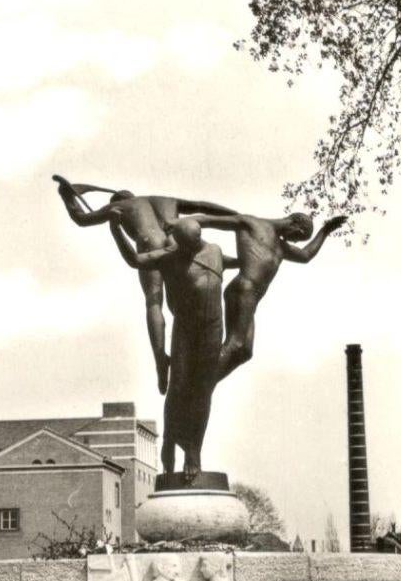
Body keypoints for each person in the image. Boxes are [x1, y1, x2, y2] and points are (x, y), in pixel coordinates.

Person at [52, 176, 236, 395]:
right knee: (179, 297)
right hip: (175, 239)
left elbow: (81, 218)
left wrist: (66, 197)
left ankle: (161, 360)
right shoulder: (165, 199)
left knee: (154, 301)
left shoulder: (119, 205)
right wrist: (236, 215)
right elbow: (204, 207)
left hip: (150, 244)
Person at [109, 213, 237, 481]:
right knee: (177, 389)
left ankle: (193, 452)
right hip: (186, 332)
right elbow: (135, 260)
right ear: (178, 242)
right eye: (187, 246)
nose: (192, 249)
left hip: (213, 331)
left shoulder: (215, 251)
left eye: (196, 242)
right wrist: (115, 228)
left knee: (203, 392)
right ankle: (169, 439)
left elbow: (241, 262)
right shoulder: (170, 257)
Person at [167, 210, 347, 382]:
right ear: (295, 225)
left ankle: (204, 383)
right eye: (297, 237)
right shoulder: (251, 223)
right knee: (235, 344)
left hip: (250, 297)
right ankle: (198, 385)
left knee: (245, 351)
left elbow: (306, 255)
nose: (294, 241)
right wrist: (177, 223)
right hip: (244, 290)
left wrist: (326, 230)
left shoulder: (281, 246)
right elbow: (208, 220)